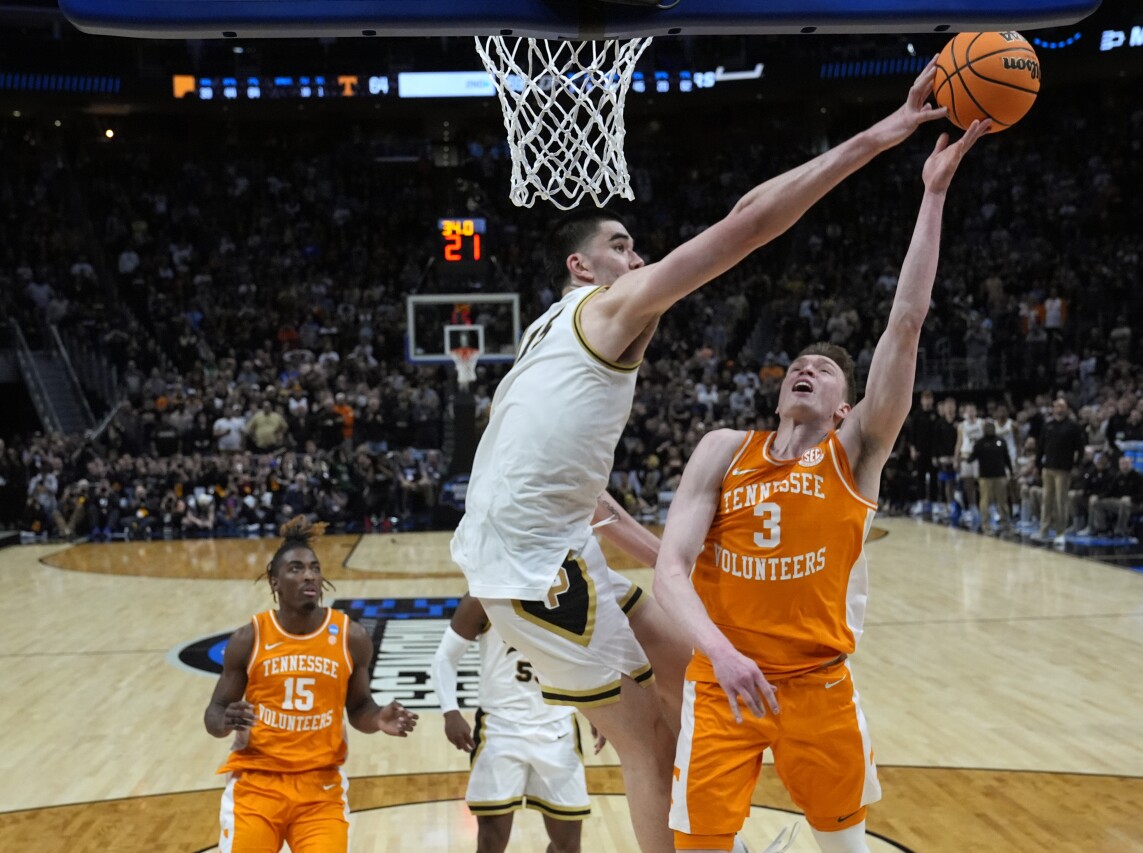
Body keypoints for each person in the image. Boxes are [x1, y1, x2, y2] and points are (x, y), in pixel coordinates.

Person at [449, 59, 965, 853]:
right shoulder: (615, 315)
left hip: (561, 551)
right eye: (622, 245)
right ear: (581, 267)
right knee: (653, 741)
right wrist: (880, 135)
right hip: (530, 564)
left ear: (841, 404)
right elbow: (751, 219)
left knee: (690, 689)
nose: (639, 256)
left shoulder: (543, 335)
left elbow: (625, 525)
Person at [653, 118, 988, 853]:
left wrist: (932, 194)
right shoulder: (722, 449)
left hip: (817, 686)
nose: (805, 367)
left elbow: (906, 322)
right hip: (722, 681)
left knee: (843, 847)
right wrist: (723, 652)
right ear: (779, 392)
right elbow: (669, 568)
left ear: (845, 404)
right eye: (796, 364)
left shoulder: (857, 447)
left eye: (825, 368)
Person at [204, 516, 418, 851]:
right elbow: (214, 714)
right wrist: (225, 720)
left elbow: (359, 707)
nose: (309, 575)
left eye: (315, 568)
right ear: (274, 582)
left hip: (321, 787)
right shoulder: (250, 638)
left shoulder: (351, 637)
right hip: (257, 784)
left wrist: (377, 718)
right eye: (296, 568)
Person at [433, 594, 601, 853]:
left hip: (557, 728)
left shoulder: (571, 591)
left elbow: (587, 655)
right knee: (490, 843)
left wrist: (598, 709)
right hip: (500, 729)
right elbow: (445, 657)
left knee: (568, 847)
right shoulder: (482, 596)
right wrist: (450, 711)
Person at [1033, 398, 1085, 544]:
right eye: (1056, 406)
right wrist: (1038, 464)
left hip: (1064, 469)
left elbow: (1080, 449)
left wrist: (1076, 466)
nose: (1059, 408)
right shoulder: (1048, 425)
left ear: (1067, 408)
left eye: (1062, 406)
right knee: (1046, 500)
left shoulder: (1073, 427)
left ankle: (1060, 532)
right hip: (1048, 468)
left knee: (1060, 501)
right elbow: (1040, 447)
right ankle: (1044, 530)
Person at [972, 420, 1013, 534]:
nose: (989, 429)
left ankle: (1005, 523)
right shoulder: (979, 443)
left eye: (991, 426)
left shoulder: (1001, 441)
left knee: (1002, 500)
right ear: (984, 429)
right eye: (987, 427)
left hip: (1000, 475)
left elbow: (1007, 457)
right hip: (985, 476)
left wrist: (1011, 470)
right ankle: (985, 524)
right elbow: (972, 457)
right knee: (985, 501)